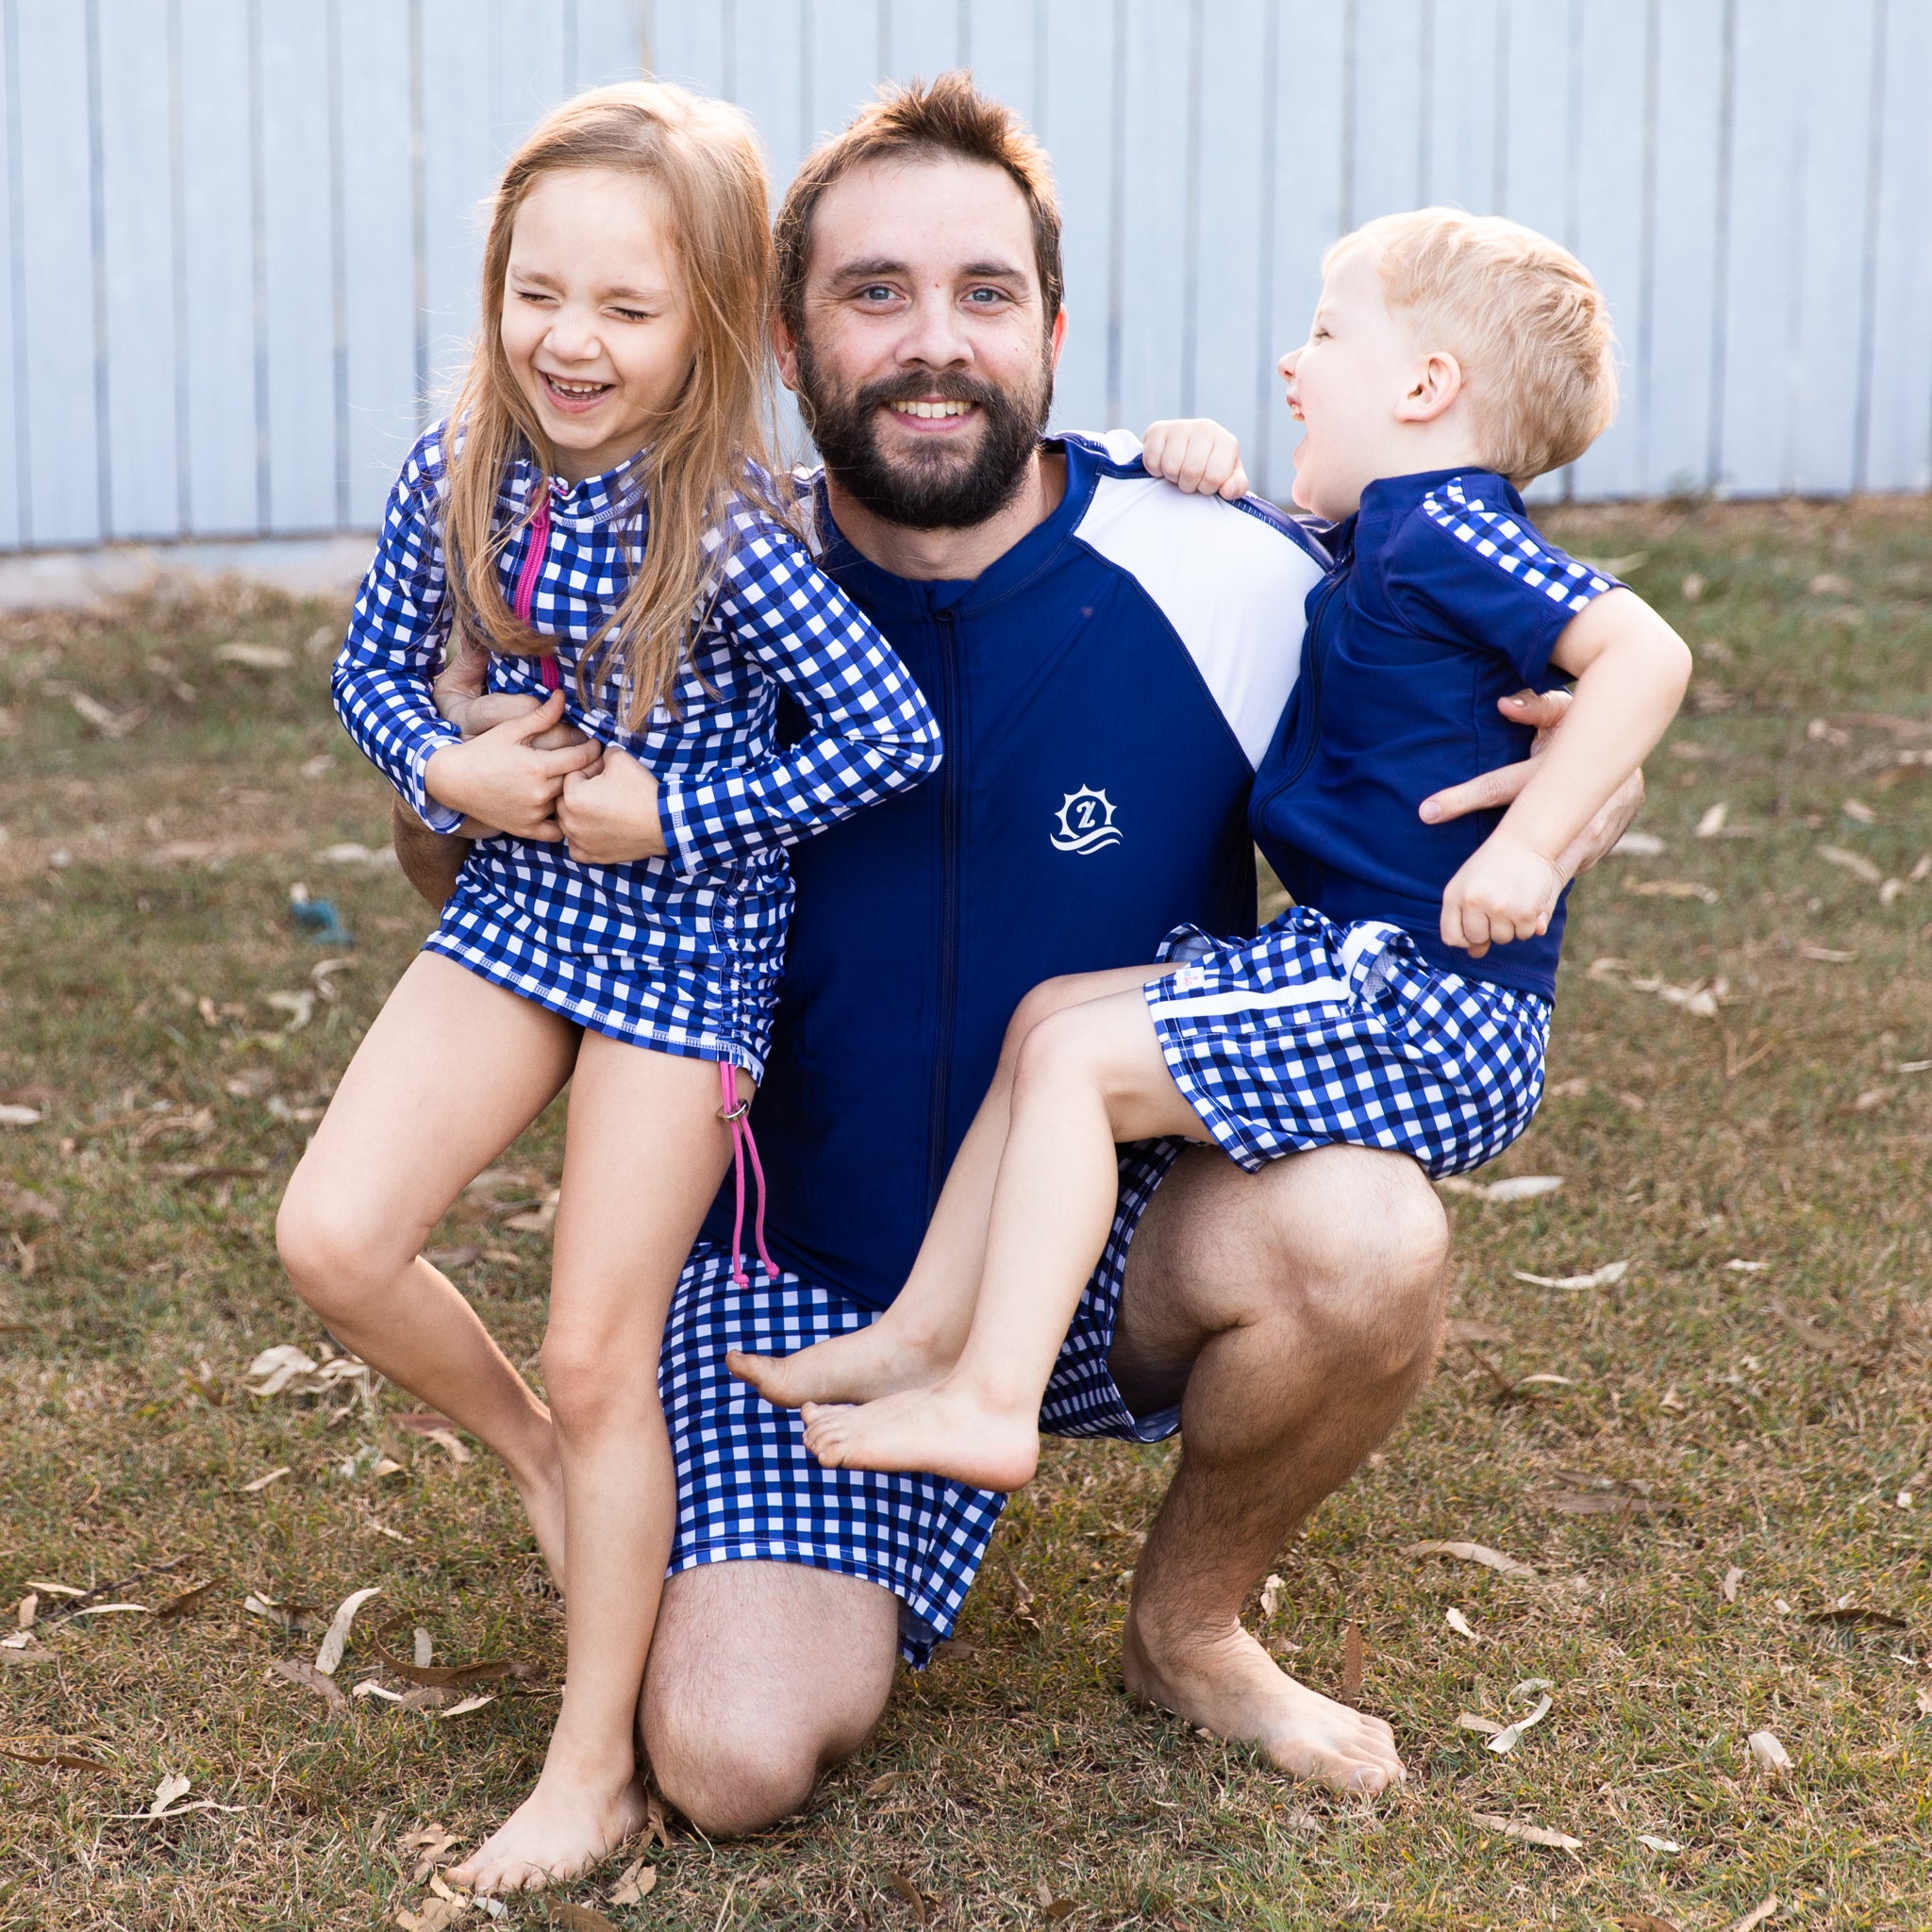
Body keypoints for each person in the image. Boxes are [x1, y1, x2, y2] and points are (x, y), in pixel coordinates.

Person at [394, 75, 1641, 1820]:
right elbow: (466, 894)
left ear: (1052, 331)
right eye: (874, 292)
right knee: (730, 1758)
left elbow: (1506, 678)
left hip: (1109, 1238)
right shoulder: (687, 579)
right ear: (782, 338)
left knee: (1364, 1237)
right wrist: (464, 778)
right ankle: (865, 1454)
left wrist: (1582, 785)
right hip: (797, 1273)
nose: (935, 343)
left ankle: (1190, 1629)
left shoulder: (1236, 577)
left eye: (984, 293)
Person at [743, 208, 1691, 1493]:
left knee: (1076, 1060)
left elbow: (1644, 651)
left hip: (1421, 999)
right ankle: (920, 1335)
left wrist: (1533, 844)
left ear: (1426, 387)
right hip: (1356, 960)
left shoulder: (1447, 528)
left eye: (1328, 336)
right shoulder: (1387, 545)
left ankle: (991, 1400)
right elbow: (1271, 561)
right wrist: (1188, 453)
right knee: (1052, 1017)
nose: (1295, 363)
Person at [275, 82, 941, 1893]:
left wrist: (677, 812)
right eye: (537, 292)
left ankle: (590, 1773)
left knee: (599, 1352)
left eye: (627, 308)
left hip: (683, 957)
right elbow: (365, 669)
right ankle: (536, 1461)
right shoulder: (460, 467)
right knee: (335, 1237)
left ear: (709, 322)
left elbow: (890, 735)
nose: (569, 341)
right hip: (518, 910)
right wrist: (443, 768)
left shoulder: (724, 528)